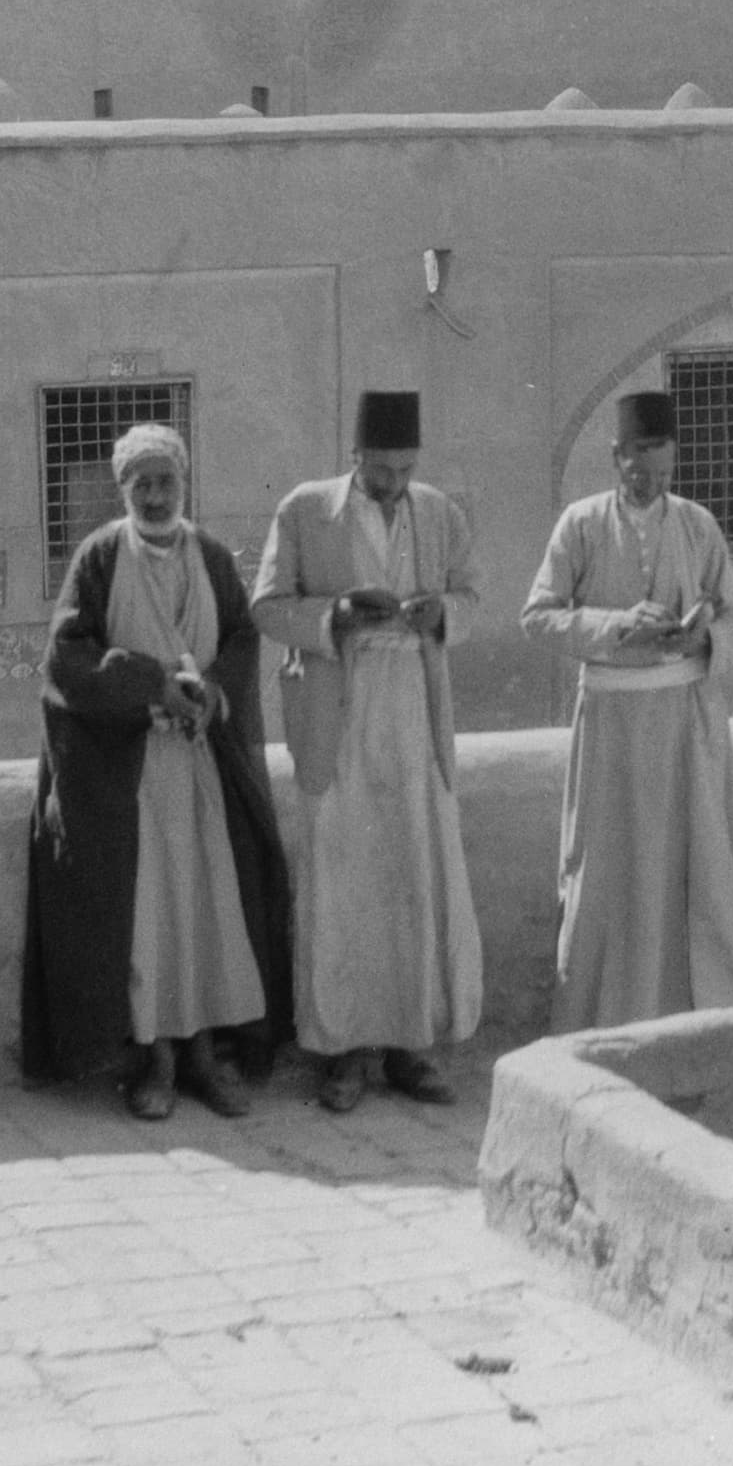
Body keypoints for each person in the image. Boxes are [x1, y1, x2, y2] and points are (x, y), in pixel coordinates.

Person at [21, 423, 291, 1121]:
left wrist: (215, 694)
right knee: (147, 921)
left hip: (202, 766)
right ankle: (156, 1062)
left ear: (183, 482)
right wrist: (148, 686)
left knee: (208, 913)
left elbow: (239, 635)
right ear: (122, 489)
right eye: (140, 482)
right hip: (133, 775)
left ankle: (204, 1055)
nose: (153, 494)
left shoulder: (211, 556)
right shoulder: (100, 556)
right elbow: (67, 656)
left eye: (164, 479)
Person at [251, 390, 482, 1112]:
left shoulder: (439, 512)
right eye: (380, 470)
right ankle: (343, 1053)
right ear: (355, 458)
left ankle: (408, 1047)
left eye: (404, 469)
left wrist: (442, 613)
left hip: (415, 709)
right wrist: (336, 614)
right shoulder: (303, 509)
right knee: (343, 882)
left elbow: (471, 597)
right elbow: (265, 606)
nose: (393, 484)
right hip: (338, 714)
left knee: (412, 869)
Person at [521, 390, 733, 1031]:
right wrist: (615, 625)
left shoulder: (699, 525)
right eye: (635, 462)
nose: (647, 476)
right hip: (613, 730)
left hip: (685, 724)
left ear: (674, 460)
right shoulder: (580, 524)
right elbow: (538, 616)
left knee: (690, 868)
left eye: (660, 464)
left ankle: (691, 1019)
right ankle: (606, 1020)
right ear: (615, 456)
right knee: (610, 871)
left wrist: (702, 637)